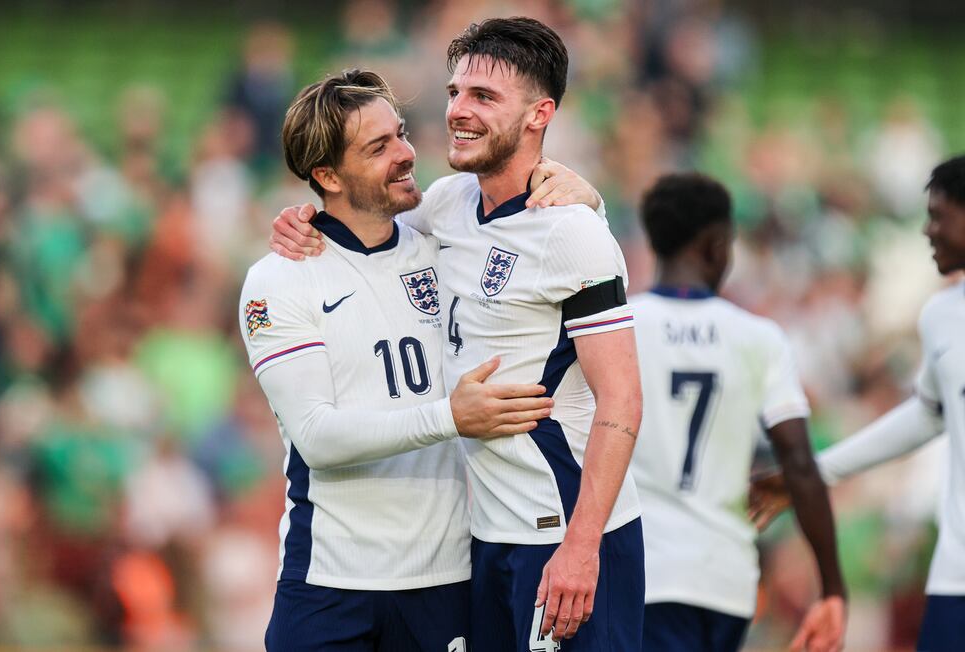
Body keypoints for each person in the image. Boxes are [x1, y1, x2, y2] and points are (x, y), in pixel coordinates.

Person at [271, 17, 645, 651]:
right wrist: (302, 215)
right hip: (487, 542)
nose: (458, 112)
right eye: (454, 93)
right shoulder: (445, 205)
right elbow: (360, 216)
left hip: (569, 540)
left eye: (484, 97)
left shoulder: (571, 230)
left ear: (540, 113)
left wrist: (582, 548)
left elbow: (624, 400)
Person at [240, 69, 559, 652]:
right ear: (327, 175)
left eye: (402, 134)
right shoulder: (277, 281)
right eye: (378, 147)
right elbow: (317, 436)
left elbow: (557, 245)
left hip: (445, 578)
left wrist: (583, 194)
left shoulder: (444, 248)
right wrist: (450, 417)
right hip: (330, 583)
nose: (407, 154)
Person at [749, 155, 965, 652]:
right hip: (954, 580)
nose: (928, 232)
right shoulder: (941, 316)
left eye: (940, 217)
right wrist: (816, 473)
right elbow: (927, 415)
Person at [630, 173, 846, 652]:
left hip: (643, 570)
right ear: (716, 245)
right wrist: (832, 587)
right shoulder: (758, 337)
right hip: (725, 578)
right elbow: (797, 459)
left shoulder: (618, 327)